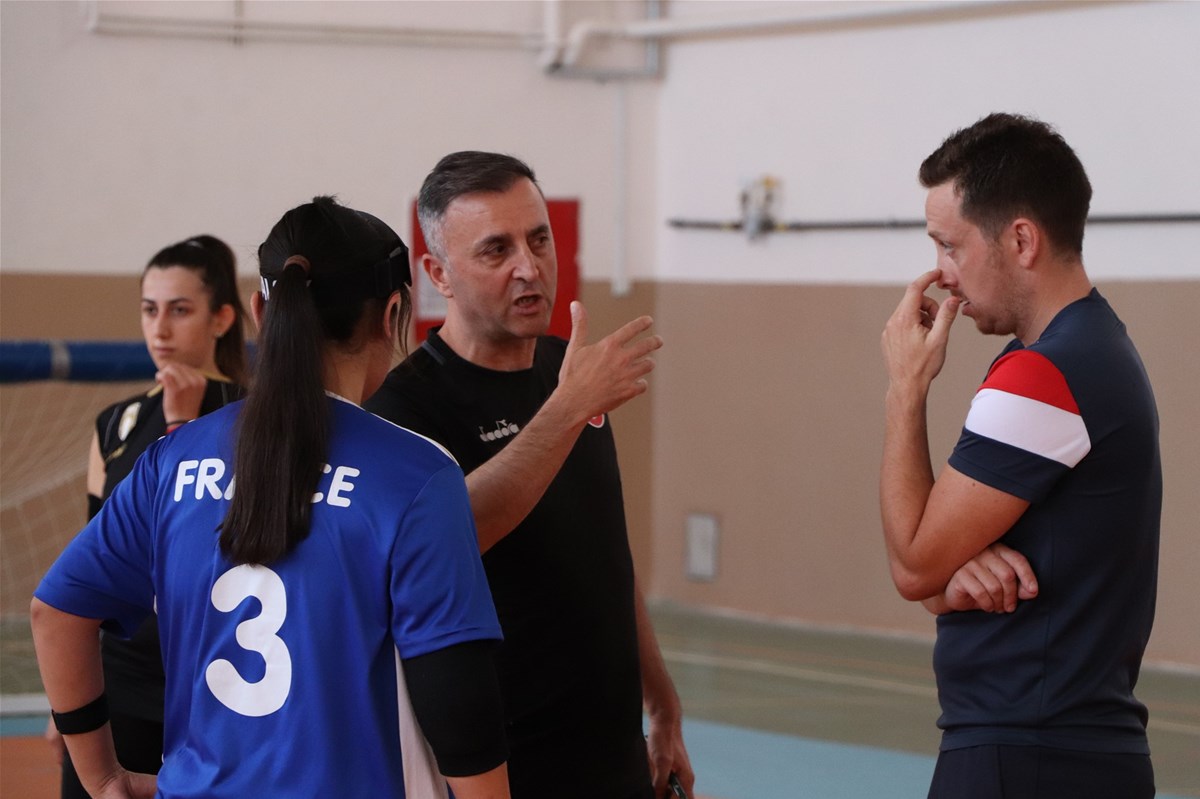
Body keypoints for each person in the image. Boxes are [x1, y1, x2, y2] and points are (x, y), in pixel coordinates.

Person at [33, 196, 510, 798]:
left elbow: (55, 614)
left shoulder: (171, 460)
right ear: (391, 313)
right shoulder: (416, 475)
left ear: (260, 310)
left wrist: (102, 778)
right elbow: (460, 708)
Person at [365, 152, 693, 799]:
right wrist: (568, 409)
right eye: (497, 249)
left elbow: (606, 551)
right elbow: (450, 538)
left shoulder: (569, 370)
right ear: (438, 274)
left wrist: (661, 703)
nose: (529, 266)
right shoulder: (404, 409)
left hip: (613, 755)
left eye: (539, 240)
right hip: (503, 767)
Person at [879, 113, 1161, 798]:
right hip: (1065, 750)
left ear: (1022, 240)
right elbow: (934, 575)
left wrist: (905, 389)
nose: (942, 275)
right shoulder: (1089, 348)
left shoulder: (1045, 375)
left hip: (1030, 756)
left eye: (951, 246)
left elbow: (912, 566)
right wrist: (950, 567)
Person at [48, 235, 249, 799]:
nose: (160, 329)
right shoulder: (116, 423)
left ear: (221, 319)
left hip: (215, 683)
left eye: (180, 310)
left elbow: (209, 542)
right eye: (149, 309)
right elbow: (92, 571)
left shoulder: (255, 417)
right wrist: (68, 699)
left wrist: (180, 427)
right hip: (119, 684)